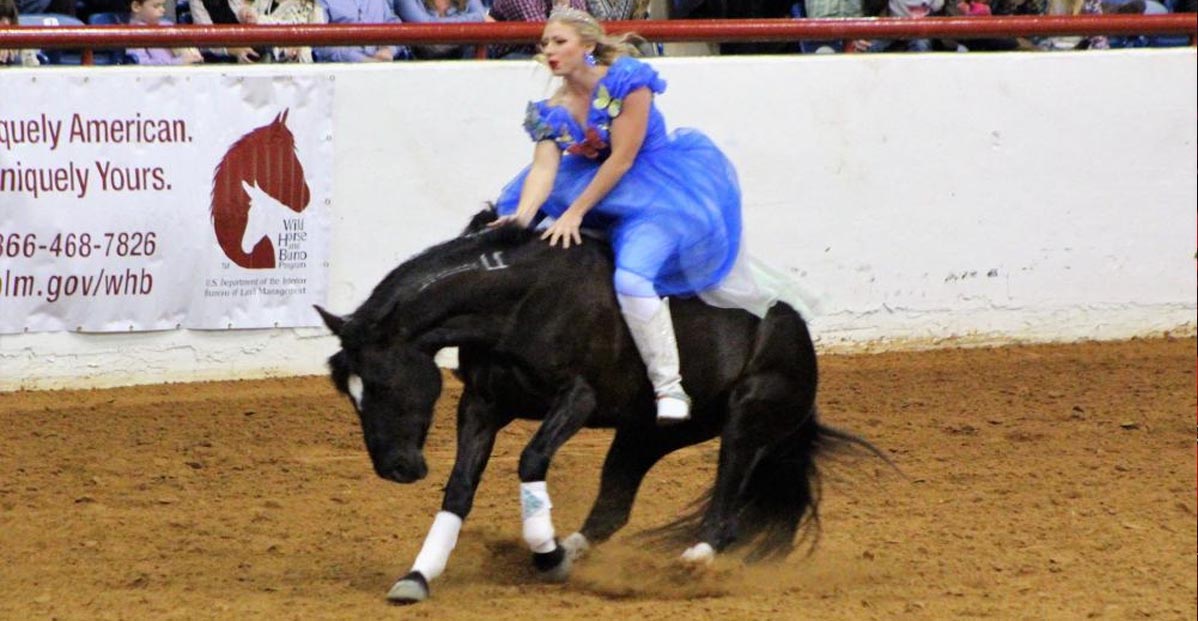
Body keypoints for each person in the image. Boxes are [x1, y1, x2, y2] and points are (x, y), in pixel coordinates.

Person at [491, 7, 803, 424]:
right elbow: (544, 168)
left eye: (559, 41)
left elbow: (621, 159)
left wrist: (575, 212)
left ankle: (669, 386)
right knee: (517, 229)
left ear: (587, 45)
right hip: (590, 185)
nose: (549, 50)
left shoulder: (626, 80)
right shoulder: (552, 107)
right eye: (545, 43)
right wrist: (525, 215)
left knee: (632, 278)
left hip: (655, 191)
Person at [485, 0, 587, 59]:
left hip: (559, 53)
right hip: (515, 56)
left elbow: (584, 34)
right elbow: (546, 42)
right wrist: (561, 5)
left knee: (593, 62)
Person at [314, 0, 410, 62]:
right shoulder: (320, 2)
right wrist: (361, 59)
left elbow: (393, 24)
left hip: (384, 65)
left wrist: (388, 49)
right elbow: (320, 44)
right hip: (342, 72)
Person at [393, 0, 485, 59]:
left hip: (463, 65)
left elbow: (480, 15)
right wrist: (467, 25)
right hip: (420, 66)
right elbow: (428, 29)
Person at [242, 0, 326, 62]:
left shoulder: (313, 7)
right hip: (264, 68)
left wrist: (260, 20)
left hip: (298, 72)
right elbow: (250, 34)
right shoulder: (261, 3)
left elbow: (319, 38)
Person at [126, 0, 203, 64]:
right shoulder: (133, 32)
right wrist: (179, 62)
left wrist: (192, 54)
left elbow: (186, 49)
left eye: (163, 5)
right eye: (156, 6)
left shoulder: (167, 25)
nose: (163, 10)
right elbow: (140, 64)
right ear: (136, 7)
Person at [1, 0, 41, 66]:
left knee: (17, 60)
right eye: (0, 18)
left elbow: (34, 73)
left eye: (10, 17)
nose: (6, 22)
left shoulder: (22, 42)